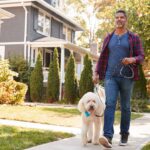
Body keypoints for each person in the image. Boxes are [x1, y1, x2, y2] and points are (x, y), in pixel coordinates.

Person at [93, 10, 145, 148]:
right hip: (110, 76)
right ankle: (108, 136)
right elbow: (102, 56)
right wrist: (96, 72)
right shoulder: (109, 38)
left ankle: (124, 134)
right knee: (109, 104)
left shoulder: (133, 37)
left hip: (127, 76)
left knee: (126, 106)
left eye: (122, 17)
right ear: (114, 20)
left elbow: (141, 56)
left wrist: (132, 59)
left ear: (126, 20)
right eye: (117, 17)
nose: (119, 19)